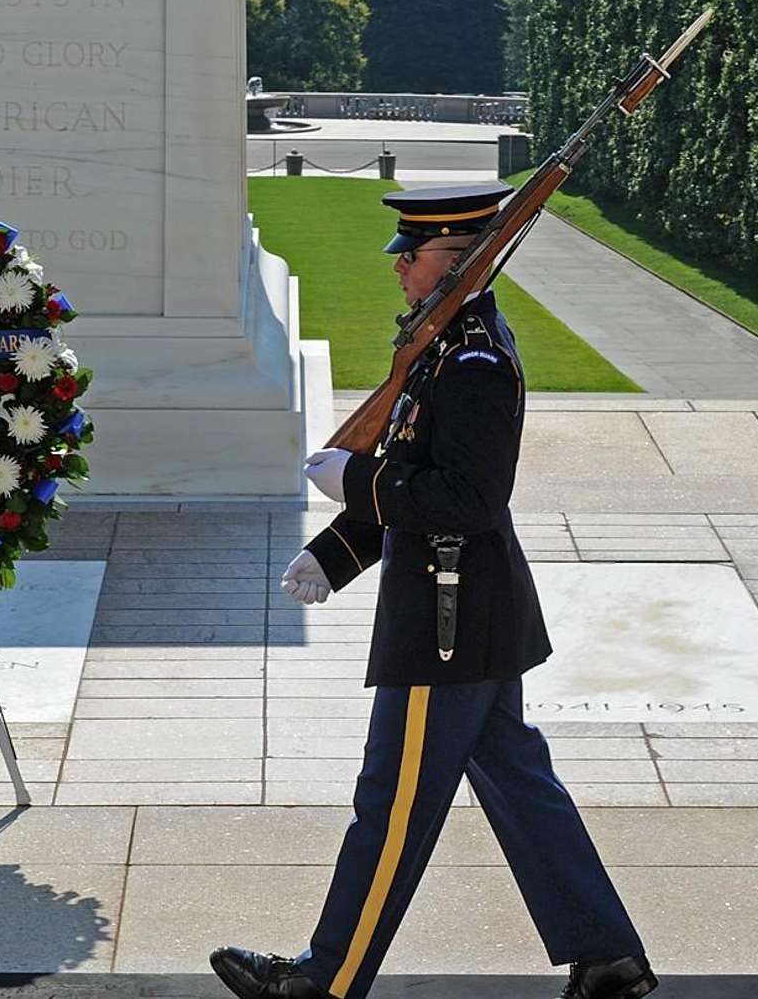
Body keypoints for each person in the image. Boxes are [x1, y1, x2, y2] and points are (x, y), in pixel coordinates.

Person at [210, 184, 656, 999]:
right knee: (521, 788)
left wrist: (357, 481)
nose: (398, 270)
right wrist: (337, 553)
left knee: (391, 805)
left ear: (453, 264)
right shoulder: (443, 347)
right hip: (473, 614)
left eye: (410, 257)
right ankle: (607, 957)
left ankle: (328, 978)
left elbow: (466, 500)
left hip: (447, 623)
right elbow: (417, 481)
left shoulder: (474, 362)